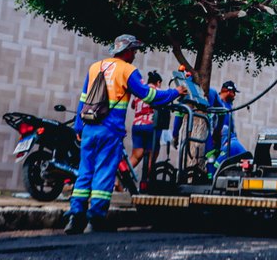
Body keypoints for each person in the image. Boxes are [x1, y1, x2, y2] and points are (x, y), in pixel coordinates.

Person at [65, 35, 187, 234]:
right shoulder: (128, 70)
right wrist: (175, 92)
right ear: (128, 51)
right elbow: (149, 96)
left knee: (85, 171)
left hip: (88, 128)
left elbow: (83, 100)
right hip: (109, 131)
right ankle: (95, 220)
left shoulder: (95, 67)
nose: (135, 55)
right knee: (104, 172)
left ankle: (74, 218)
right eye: (134, 51)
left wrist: (79, 128)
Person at [206, 81, 248, 179]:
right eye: (234, 93)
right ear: (229, 91)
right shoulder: (219, 105)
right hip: (217, 140)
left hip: (227, 141)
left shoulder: (228, 105)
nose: (234, 96)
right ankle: (211, 178)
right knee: (213, 161)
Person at [129, 70, 162, 176]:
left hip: (137, 126)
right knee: (152, 154)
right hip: (150, 126)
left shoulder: (140, 92)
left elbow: (133, 105)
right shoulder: (157, 91)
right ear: (158, 82)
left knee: (136, 155)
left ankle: (118, 179)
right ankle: (147, 181)